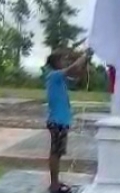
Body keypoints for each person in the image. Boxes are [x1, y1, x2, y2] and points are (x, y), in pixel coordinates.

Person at [45, 49, 91, 193]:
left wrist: (85, 63)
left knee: (58, 153)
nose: (65, 62)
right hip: (57, 121)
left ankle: (55, 182)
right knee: (55, 152)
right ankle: (54, 185)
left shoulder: (60, 79)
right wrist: (85, 55)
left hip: (61, 121)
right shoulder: (54, 75)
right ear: (57, 62)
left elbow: (78, 77)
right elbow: (73, 68)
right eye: (63, 60)